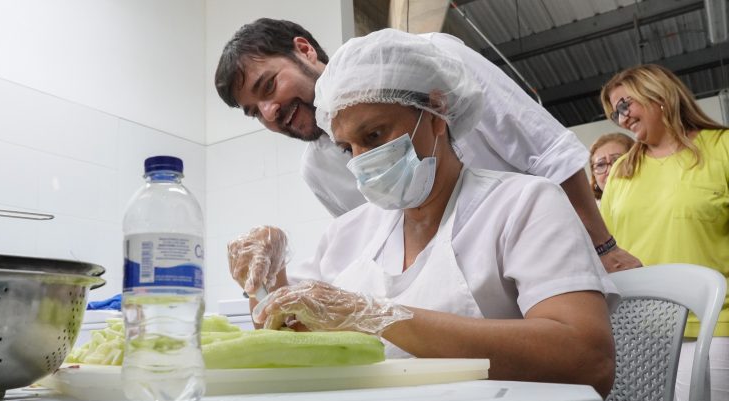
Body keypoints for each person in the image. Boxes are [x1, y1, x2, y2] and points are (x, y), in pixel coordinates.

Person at [228, 28, 618, 397]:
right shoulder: (348, 235)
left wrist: (378, 316)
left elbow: (587, 361)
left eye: (375, 136)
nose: (363, 162)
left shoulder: (523, 204)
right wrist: (267, 280)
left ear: (434, 112)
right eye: (348, 149)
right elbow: (286, 344)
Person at [214, 18, 641, 273]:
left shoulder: (423, 64)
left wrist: (602, 247)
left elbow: (544, 150)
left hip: (550, 258)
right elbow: (378, 243)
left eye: (268, 86)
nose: (269, 112)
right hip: (457, 295)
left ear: (437, 115)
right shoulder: (317, 170)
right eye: (255, 112)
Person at [600, 63, 729, 401]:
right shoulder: (623, 170)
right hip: (638, 333)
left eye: (625, 105)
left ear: (658, 93)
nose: (621, 119)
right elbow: (606, 247)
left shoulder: (721, 149)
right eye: (613, 113)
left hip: (712, 326)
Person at [588, 133, 634, 201]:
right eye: (601, 165)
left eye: (617, 161)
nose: (610, 170)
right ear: (594, 175)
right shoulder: (589, 210)